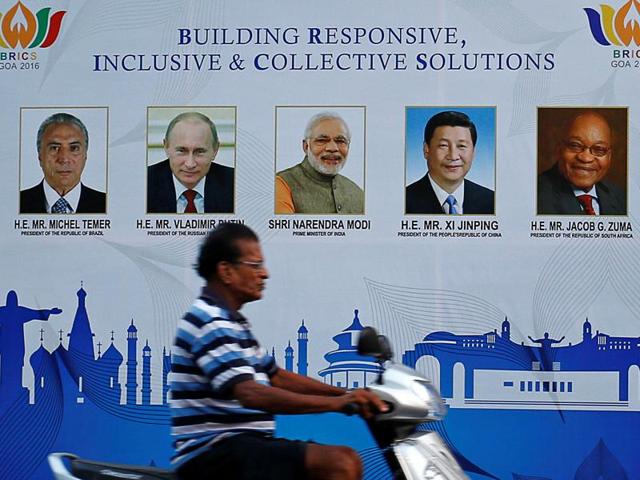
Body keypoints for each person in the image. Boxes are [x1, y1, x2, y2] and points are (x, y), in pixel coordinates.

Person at [170, 223, 386, 480]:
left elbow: (276, 376)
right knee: (341, 463)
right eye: (255, 265)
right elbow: (250, 393)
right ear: (226, 271)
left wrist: (349, 394)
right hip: (213, 452)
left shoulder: (233, 322)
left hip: (244, 446)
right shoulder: (209, 320)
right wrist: (338, 403)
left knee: (338, 459)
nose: (265, 274)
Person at [537, 111, 626, 215]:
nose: (586, 158)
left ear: (609, 156)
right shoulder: (535, 197)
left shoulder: (620, 197)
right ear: (559, 149)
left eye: (599, 149)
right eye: (575, 145)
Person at [405, 110, 494, 214]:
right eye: (443, 145)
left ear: (473, 152)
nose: (453, 156)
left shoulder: (491, 201)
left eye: (461, 146)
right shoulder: (403, 201)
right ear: (426, 150)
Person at [275, 112, 364, 214]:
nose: (332, 148)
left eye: (340, 141)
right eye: (322, 140)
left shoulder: (358, 194)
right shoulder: (281, 184)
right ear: (306, 146)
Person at [147, 111, 234, 213]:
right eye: (181, 151)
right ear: (166, 147)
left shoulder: (235, 184)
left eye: (200, 152)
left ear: (215, 150)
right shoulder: (145, 183)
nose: (190, 164)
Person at [20, 113, 106, 214]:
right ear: (40, 155)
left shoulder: (106, 204)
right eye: (54, 148)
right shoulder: (16, 202)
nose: (64, 159)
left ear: (85, 155)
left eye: (74, 148)